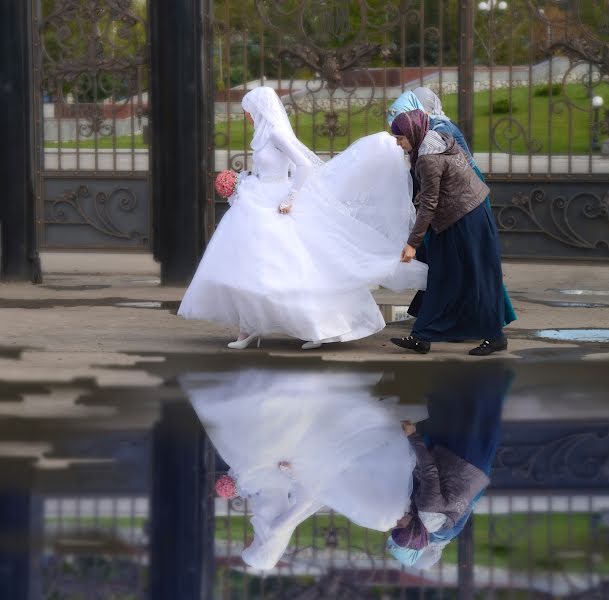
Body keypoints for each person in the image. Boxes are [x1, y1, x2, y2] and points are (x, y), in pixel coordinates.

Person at [178, 87, 427, 350]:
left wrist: (290, 198)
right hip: (255, 199)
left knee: (296, 268)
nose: (246, 116)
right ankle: (248, 327)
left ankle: (318, 327)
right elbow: (266, 168)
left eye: (247, 110)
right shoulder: (261, 136)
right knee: (248, 268)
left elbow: (304, 165)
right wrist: (241, 182)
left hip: (277, 203)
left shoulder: (276, 133)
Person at [180, 369, 419, 570]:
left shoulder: (264, 526)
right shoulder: (275, 530)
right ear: (260, 549)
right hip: (276, 473)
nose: (247, 542)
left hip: (267, 474)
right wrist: (294, 473)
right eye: (249, 548)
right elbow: (306, 501)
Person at [389, 109, 508, 355]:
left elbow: (429, 203)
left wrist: (413, 243)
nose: (398, 143)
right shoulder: (437, 140)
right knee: (442, 277)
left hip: (466, 219)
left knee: (476, 277)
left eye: (401, 138)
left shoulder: (428, 158)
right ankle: (422, 336)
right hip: (458, 217)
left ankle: (495, 336)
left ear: (413, 133)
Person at [386, 366, 513, 569]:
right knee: (466, 411)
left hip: (470, 468)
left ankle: (485, 375)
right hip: (460, 460)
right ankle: (478, 371)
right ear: (413, 533)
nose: (396, 523)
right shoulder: (429, 514)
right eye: (400, 527)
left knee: (477, 414)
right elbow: (429, 472)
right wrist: (412, 436)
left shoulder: (439, 528)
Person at [411, 87, 517, 326]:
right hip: (457, 196)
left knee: (471, 262)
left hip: (462, 199)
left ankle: (487, 322)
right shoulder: (431, 127)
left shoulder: (438, 130)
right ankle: (439, 319)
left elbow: (437, 172)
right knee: (451, 262)